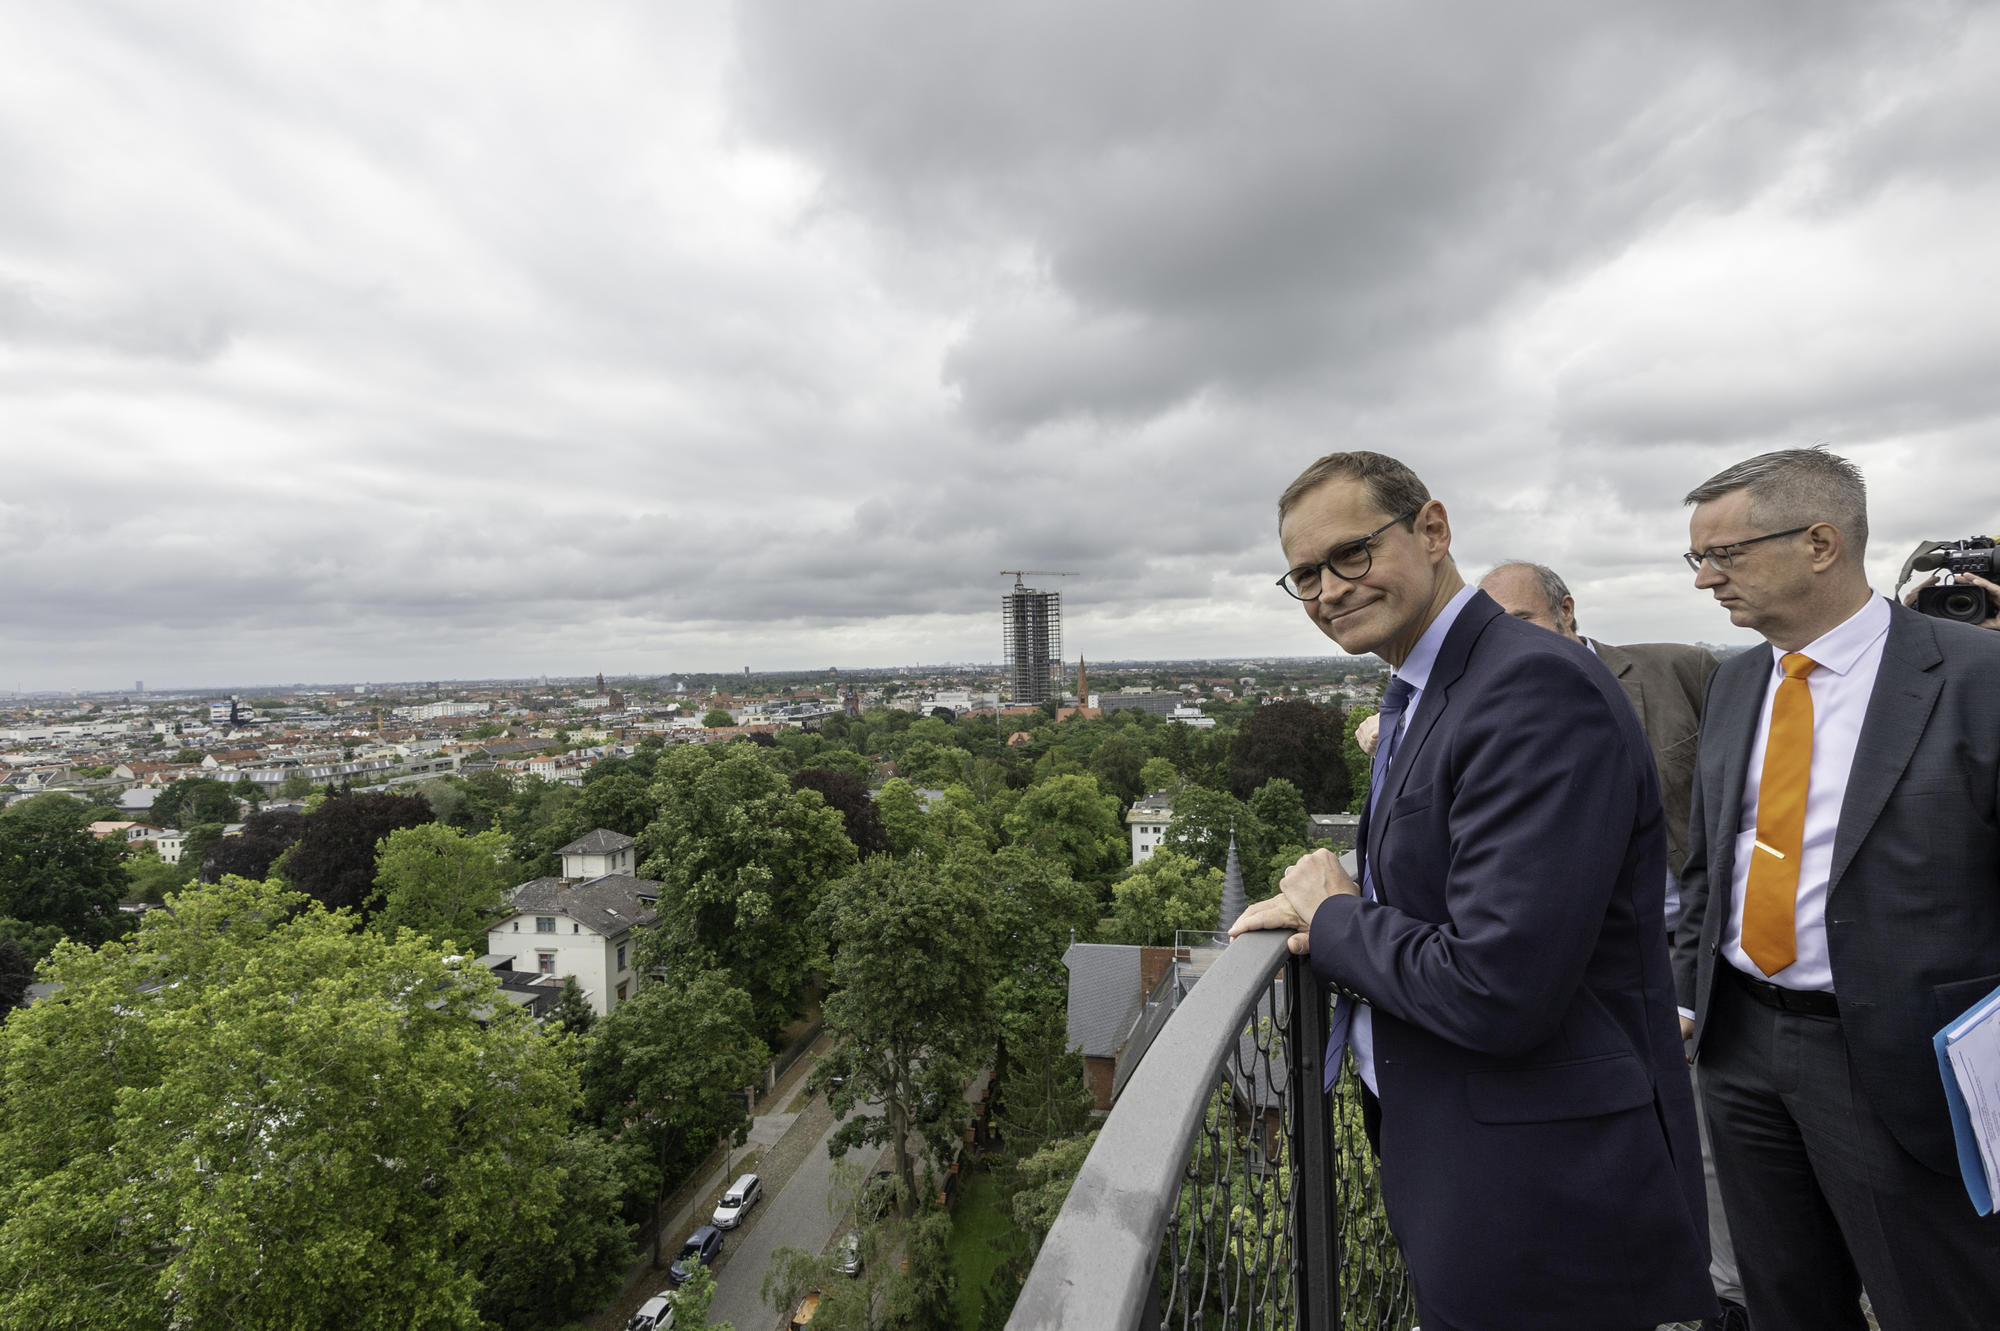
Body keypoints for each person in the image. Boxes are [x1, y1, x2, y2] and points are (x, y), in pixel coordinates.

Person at [1231, 451, 1714, 1331]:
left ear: (1432, 529)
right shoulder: (1427, 684)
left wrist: (1336, 915)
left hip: (1543, 1179)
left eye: (1351, 553)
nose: (1329, 588)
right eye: (1304, 574)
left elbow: (1499, 985)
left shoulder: (1529, 685)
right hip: (1470, 1148)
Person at [1674, 448, 2000, 1331]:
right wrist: (1688, 998)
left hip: (1903, 1062)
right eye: (1694, 558)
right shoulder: (1736, 679)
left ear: (1820, 542)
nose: (1706, 579)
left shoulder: (1978, 678)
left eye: (1724, 555)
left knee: (1937, 1300)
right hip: (1739, 1046)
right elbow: (1710, 859)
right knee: (1785, 1299)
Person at [1477, 560, 1742, 1330]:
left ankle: (1728, 1295)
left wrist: (1695, 970)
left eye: (1518, 621)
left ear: (1566, 610)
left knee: (1706, 1135)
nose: (1503, 643)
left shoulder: (1678, 670)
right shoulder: (1485, 706)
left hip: (1688, 944)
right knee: (1611, 1132)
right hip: (1582, 966)